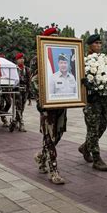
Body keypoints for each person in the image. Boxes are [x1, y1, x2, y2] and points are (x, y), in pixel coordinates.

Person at [34, 25, 68, 185]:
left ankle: (41, 157)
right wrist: (40, 100)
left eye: (58, 35)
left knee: (57, 135)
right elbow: (34, 81)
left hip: (61, 102)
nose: (57, 38)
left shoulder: (63, 56)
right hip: (47, 105)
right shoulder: (39, 57)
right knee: (49, 136)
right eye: (53, 36)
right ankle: (54, 171)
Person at [78, 34, 107, 171]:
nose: (98, 45)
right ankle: (96, 159)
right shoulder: (84, 61)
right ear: (89, 45)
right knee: (93, 128)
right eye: (96, 43)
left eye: (100, 43)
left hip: (104, 98)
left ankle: (85, 147)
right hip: (91, 100)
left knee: (104, 123)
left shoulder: (105, 59)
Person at [15, 52, 31, 132]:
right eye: (20, 58)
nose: (22, 60)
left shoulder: (27, 69)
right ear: (17, 60)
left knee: (22, 108)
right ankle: (21, 123)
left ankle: (16, 120)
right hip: (17, 90)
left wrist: (29, 92)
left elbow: (29, 81)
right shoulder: (14, 69)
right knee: (19, 106)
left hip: (25, 90)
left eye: (22, 58)